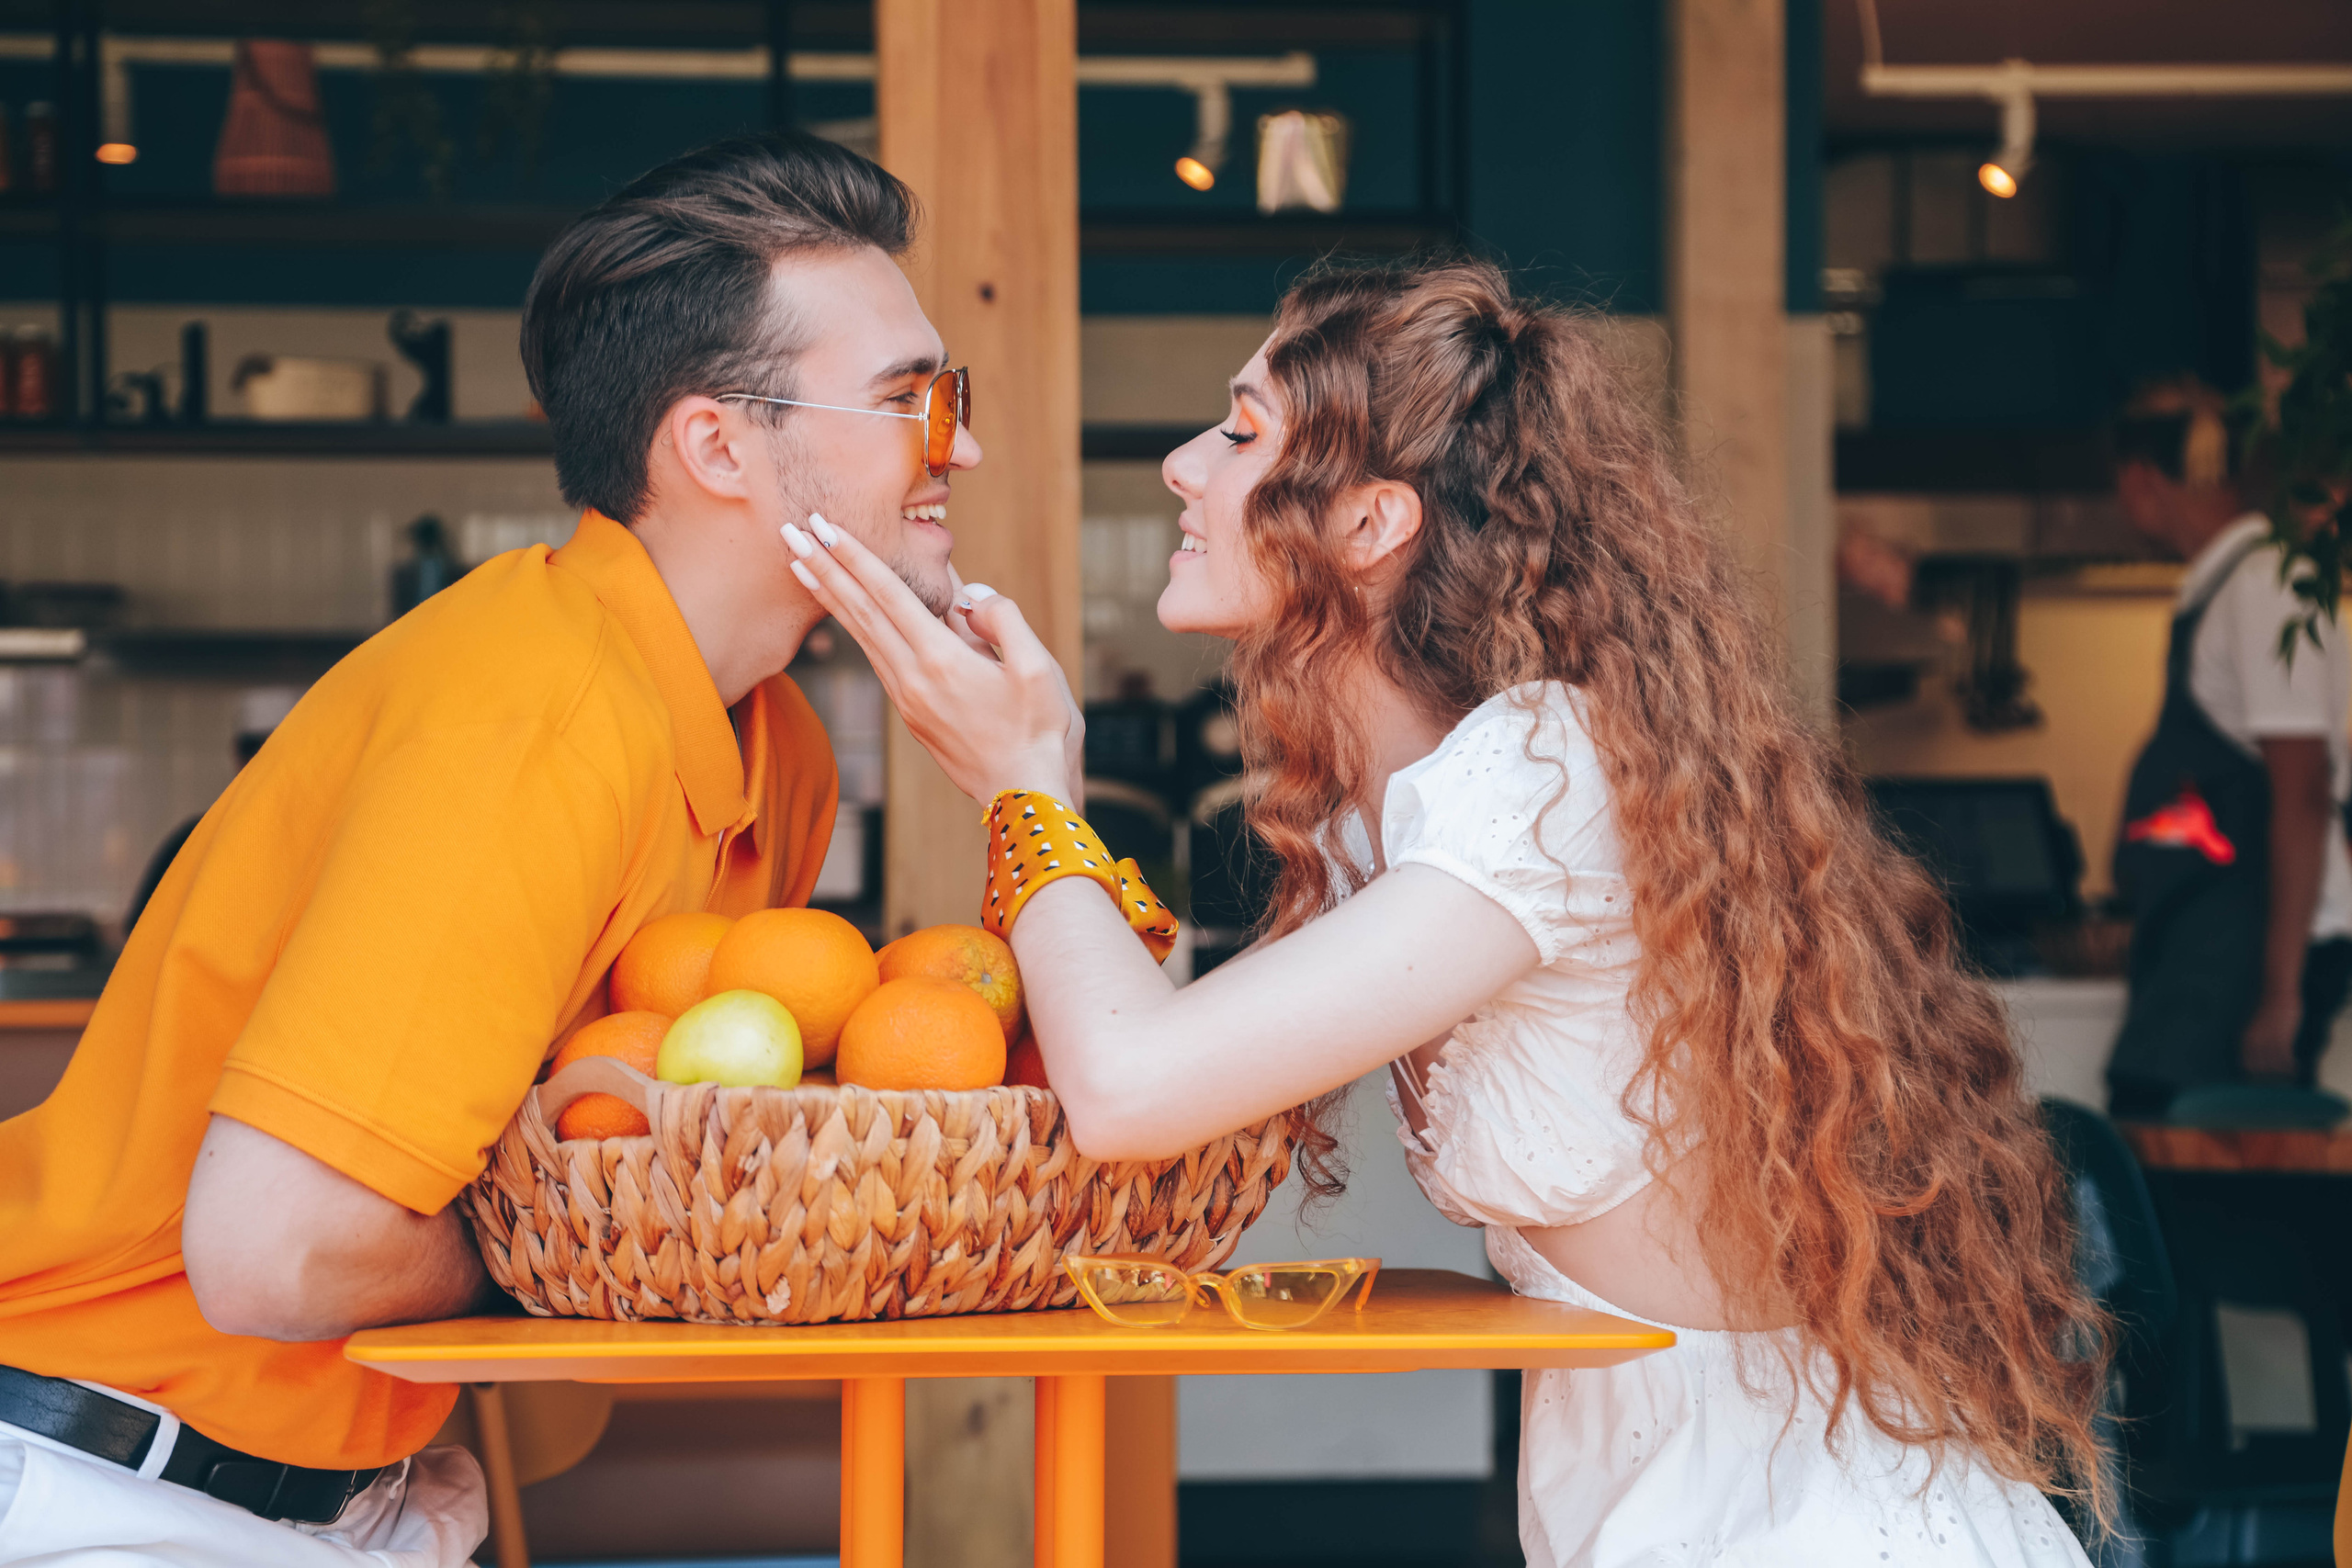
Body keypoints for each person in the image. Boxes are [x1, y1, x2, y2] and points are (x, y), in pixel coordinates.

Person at [787, 255, 2109, 1564]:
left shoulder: (1539, 779)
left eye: (1243, 432)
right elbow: (1160, 1065)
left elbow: (1130, 1086)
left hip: (1799, 1522)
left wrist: (1020, 786)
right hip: (1667, 1494)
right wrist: (1047, 779)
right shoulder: (1403, 809)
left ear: (1372, 524)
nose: (1188, 465)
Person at [0, 130, 979, 1564]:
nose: (963, 442)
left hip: (342, 1491)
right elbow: (273, 1250)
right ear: (714, 444)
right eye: (913, 400)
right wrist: (593, 1228)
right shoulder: (539, 715)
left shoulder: (778, 753)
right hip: (111, 1484)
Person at [2105, 377, 2352, 1120]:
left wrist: (2279, 994)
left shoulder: (2266, 582)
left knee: (2177, 1142)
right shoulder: (2229, 587)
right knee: (2156, 1133)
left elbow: (2302, 791)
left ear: (2142, 480)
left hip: (2254, 946)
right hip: (2217, 935)